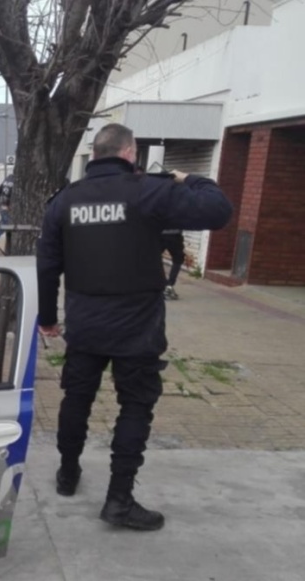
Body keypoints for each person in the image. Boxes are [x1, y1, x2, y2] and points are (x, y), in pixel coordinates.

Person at [37, 123, 232, 531]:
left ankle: (68, 474)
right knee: (136, 407)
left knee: (76, 398)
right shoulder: (150, 191)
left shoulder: (65, 201)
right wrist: (189, 178)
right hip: (137, 327)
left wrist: (48, 318)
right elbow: (218, 210)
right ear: (130, 153)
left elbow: (48, 266)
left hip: (86, 324)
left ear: (94, 155)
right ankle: (119, 500)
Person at [161, 229, 185, 299]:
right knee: (178, 259)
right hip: (174, 235)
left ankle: (165, 285)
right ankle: (169, 285)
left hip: (159, 234)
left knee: (154, 258)